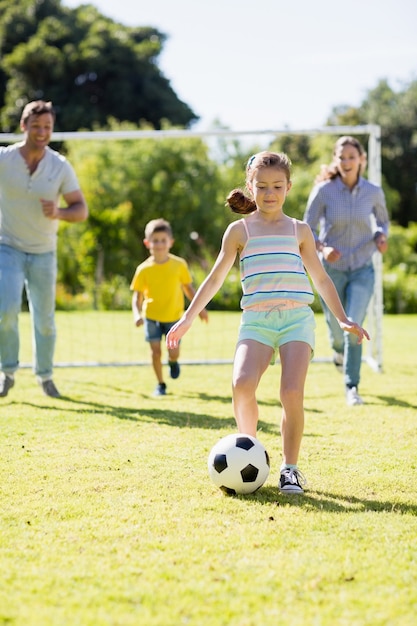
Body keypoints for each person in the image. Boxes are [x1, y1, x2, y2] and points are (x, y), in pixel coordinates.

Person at [166, 151, 369, 494]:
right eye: (262, 186)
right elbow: (214, 279)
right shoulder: (238, 231)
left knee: (291, 392)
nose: (269, 193)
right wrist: (187, 318)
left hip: (296, 320)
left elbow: (320, 279)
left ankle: (290, 469)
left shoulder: (299, 230)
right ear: (250, 187)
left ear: (288, 187)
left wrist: (343, 318)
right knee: (242, 384)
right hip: (256, 321)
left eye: (277, 186)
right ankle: (252, 454)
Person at [0, 100, 88, 399]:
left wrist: (60, 212)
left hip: (43, 252)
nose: (42, 132)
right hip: (7, 247)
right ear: (23, 126)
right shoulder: (4, 159)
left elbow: (81, 210)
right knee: (6, 311)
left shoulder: (59, 166)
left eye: (47, 127)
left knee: (45, 321)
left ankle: (45, 376)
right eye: (36, 126)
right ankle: (7, 371)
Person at [304, 136, 389, 406]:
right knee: (336, 328)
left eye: (352, 157)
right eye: (342, 158)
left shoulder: (373, 191)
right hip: (331, 271)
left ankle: (352, 387)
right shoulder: (324, 191)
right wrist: (322, 248)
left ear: (361, 160)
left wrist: (380, 237)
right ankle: (337, 351)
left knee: (353, 322)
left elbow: (383, 222)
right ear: (336, 160)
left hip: (363, 268)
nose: (347, 162)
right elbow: (307, 229)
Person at [130, 218, 208, 396]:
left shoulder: (179, 265)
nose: (159, 244)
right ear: (147, 243)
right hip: (151, 317)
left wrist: (201, 309)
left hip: (174, 318)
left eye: (163, 240)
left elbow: (188, 289)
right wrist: (136, 314)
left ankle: (173, 362)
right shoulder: (143, 269)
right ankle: (160, 384)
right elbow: (137, 296)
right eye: (155, 240)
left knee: (173, 352)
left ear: (170, 242)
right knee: (155, 352)